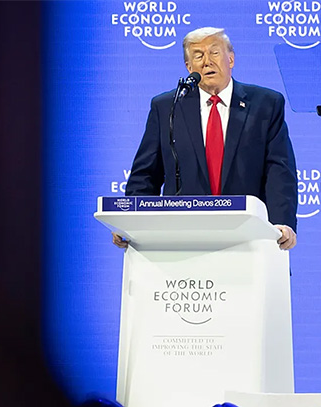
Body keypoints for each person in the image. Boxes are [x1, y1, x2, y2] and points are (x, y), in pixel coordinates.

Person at [112, 27, 297, 250]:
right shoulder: (167, 107)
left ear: (231, 59)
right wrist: (131, 225)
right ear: (189, 68)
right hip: (182, 239)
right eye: (198, 56)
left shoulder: (265, 104)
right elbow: (145, 175)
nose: (207, 62)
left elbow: (279, 171)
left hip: (249, 238)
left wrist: (281, 224)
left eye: (214, 52)